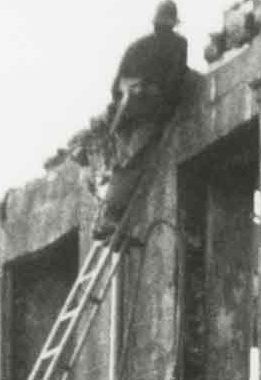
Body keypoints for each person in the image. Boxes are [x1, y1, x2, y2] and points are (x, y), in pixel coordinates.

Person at [99, 2, 191, 236]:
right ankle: (109, 218)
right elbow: (174, 85)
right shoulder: (178, 45)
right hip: (147, 114)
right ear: (173, 23)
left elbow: (115, 89)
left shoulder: (136, 47)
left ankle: (109, 218)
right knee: (134, 163)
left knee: (124, 163)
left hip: (124, 117)